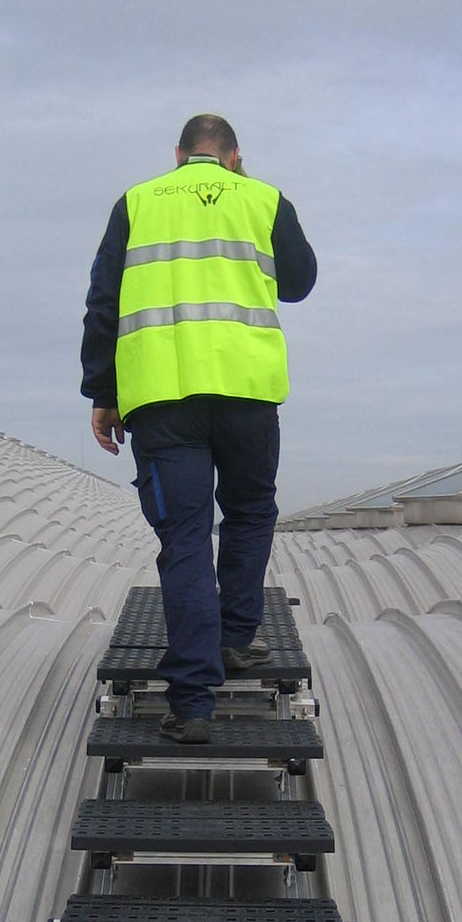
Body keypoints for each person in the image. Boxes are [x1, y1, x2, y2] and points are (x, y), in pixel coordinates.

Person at [80, 113, 316, 743]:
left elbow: (104, 302)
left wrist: (104, 393)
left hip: (162, 398)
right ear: (235, 156)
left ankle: (192, 704)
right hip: (246, 394)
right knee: (249, 511)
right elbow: (300, 283)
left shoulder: (137, 203)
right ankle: (236, 639)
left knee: (185, 538)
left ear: (178, 154)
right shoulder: (264, 199)